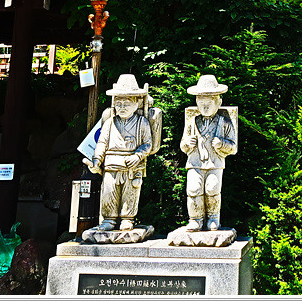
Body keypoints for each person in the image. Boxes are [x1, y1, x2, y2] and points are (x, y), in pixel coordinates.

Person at [83, 75, 160, 232]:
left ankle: (127, 219)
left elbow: (147, 144)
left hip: (132, 167)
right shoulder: (110, 122)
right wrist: (97, 160)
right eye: (119, 104)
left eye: (126, 104)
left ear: (136, 104)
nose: (122, 107)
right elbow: (102, 143)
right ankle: (109, 219)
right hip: (111, 165)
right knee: (109, 192)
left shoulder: (142, 122)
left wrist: (138, 155)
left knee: (130, 194)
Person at [179, 75, 237, 231]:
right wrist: (187, 143)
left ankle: (213, 217)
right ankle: (195, 219)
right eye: (201, 103)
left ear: (218, 102)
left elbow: (233, 147)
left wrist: (222, 144)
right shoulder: (192, 122)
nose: (205, 107)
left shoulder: (224, 123)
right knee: (193, 189)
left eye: (209, 103)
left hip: (215, 163)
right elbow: (183, 145)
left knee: (212, 188)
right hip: (194, 162)